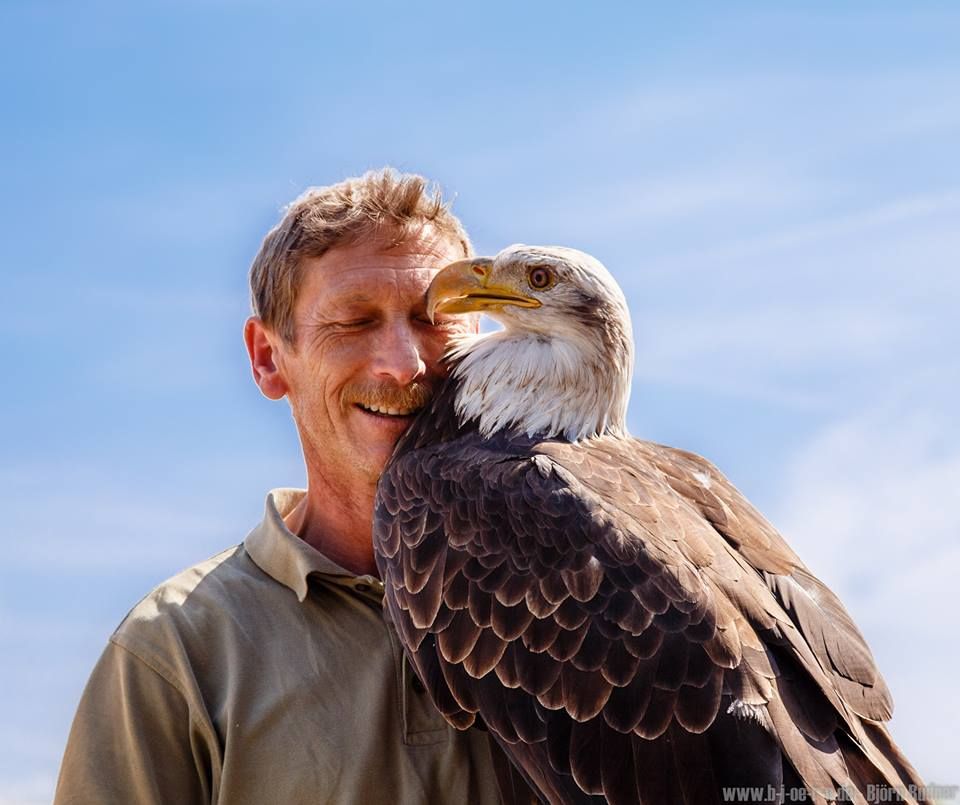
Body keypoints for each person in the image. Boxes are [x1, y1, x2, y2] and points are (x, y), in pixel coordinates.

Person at [54, 169, 519, 804]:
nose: (403, 364)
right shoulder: (176, 651)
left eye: (432, 320)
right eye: (353, 322)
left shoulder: (596, 597)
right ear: (268, 358)